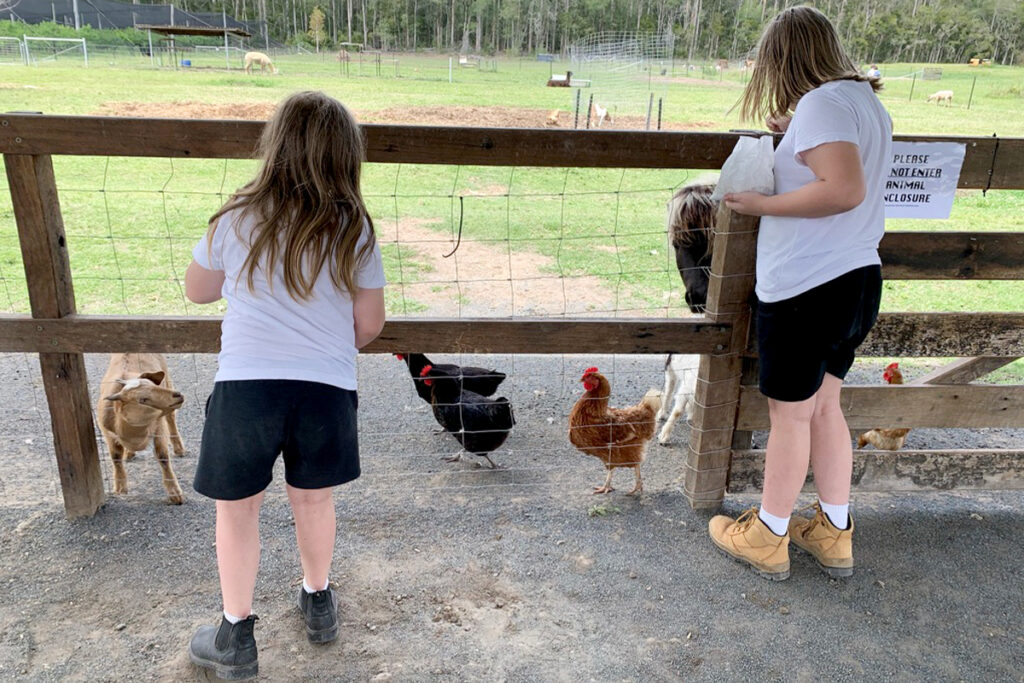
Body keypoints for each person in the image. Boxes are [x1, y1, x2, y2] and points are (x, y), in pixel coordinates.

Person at [184, 91, 386, 678]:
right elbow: (368, 326)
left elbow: (198, 290)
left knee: (237, 510)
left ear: (274, 147)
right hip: (325, 385)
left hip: (246, 385)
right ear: (347, 156)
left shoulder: (236, 215)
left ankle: (235, 635)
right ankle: (318, 600)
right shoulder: (354, 225)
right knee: (314, 499)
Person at [707, 6, 891, 581]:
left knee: (789, 417)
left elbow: (842, 189)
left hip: (808, 285)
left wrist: (759, 205)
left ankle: (768, 533)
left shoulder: (821, 104)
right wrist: (792, 142)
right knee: (825, 407)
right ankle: (834, 532)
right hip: (856, 277)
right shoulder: (863, 102)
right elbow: (834, 170)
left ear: (782, 58)